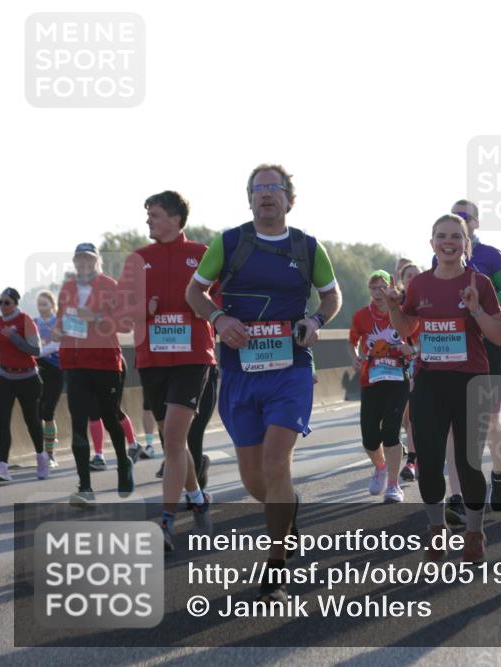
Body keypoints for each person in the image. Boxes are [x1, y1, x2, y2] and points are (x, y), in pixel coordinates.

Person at [186, 164, 341, 603]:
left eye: (274, 188)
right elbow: (193, 293)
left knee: (277, 462)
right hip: (239, 371)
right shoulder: (229, 242)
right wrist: (219, 317)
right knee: (255, 478)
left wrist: (315, 319)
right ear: (249, 198)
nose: (266, 195)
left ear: (290, 199)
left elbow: (331, 295)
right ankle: (285, 513)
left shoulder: (308, 248)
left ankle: (275, 565)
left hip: (290, 368)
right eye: (258, 189)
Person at [385, 214, 501, 563]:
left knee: (468, 463)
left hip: (470, 381)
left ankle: (474, 532)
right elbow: (407, 328)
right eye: (441, 236)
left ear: (466, 243)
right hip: (430, 381)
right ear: (432, 243)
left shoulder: (479, 282)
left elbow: (500, 336)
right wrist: (395, 307)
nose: (448, 241)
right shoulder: (420, 284)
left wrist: (477, 311)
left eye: (456, 236)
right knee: (430, 459)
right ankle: (436, 530)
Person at [118, 190, 219, 550]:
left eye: (155, 215)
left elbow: (221, 303)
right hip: (152, 361)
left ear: (176, 218)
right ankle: (198, 497)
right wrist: (146, 308)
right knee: (171, 443)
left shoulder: (202, 255)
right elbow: (121, 313)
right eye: (147, 215)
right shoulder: (137, 260)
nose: (148, 221)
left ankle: (165, 521)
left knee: (175, 439)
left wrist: (202, 308)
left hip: (193, 359)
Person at [442, 200, 501, 515]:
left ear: (476, 224)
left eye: (465, 217)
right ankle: (457, 497)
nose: (460, 222)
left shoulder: (490, 256)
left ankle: (498, 474)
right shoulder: (441, 257)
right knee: (452, 425)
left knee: (489, 421)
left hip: (488, 345)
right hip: (452, 347)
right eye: (454, 216)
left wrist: (482, 299)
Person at [54, 244, 134, 504]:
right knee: (79, 422)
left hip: (105, 363)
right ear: (75, 262)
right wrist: (58, 331)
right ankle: (85, 487)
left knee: (111, 419)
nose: (84, 264)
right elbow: (61, 321)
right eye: (79, 259)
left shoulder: (110, 286)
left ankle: (123, 463)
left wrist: (96, 317)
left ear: (97, 261)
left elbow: (125, 323)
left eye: (89, 259)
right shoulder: (67, 289)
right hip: (74, 364)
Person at [348, 270, 416, 503]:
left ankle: (394, 485)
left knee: (390, 433)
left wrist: (412, 350)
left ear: (391, 288)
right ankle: (381, 467)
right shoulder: (361, 316)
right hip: (370, 381)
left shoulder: (403, 313)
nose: (377, 293)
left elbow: (419, 342)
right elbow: (352, 342)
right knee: (369, 438)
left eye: (382, 288)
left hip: (398, 380)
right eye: (373, 288)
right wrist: (355, 357)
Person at [0, 287, 48, 481]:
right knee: (2, 422)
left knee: (32, 420)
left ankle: (41, 455)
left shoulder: (25, 320)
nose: (2, 306)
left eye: (6, 302)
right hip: (4, 377)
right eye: (0, 302)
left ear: (15, 304)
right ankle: (2, 466)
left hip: (28, 378)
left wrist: (14, 337)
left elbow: (36, 350)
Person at [397, 262, 421, 482]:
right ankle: (415, 452)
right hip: (396, 366)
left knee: (414, 416)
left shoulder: (427, 303)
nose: (412, 279)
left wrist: (412, 349)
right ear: (401, 280)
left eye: (416, 275)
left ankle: (413, 459)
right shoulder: (395, 304)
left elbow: (427, 342)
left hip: (422, 364)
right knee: (407, 419)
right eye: (408, 276)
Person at [34, 290, 63, 468]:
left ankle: (50, 455)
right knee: (37, 412)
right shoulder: (34, 323)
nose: (41, 307)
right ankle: (43, 451)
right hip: (38, 371)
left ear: (52, 305)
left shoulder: (57, 323)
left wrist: (37, 351)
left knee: (48, 411)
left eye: (44, 304)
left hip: (55, 370)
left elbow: (56, 345)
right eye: (39, 304)